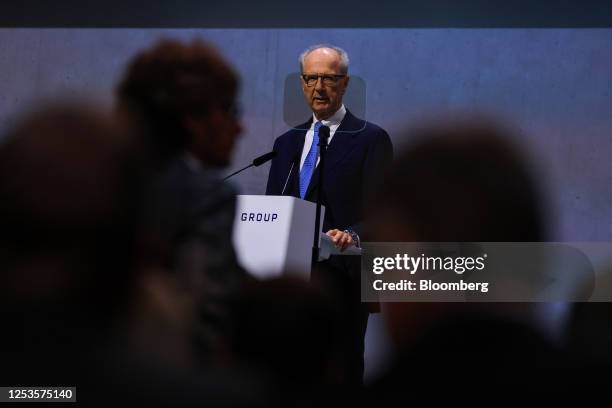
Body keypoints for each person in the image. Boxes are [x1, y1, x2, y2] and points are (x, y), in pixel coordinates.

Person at [266, 44, 393, 385]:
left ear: (345, 83)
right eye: (310, 78)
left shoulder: (370, 139)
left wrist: (352, 234)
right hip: (290, 284)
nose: (318, 86)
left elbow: (382, 211)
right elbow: (274, 207)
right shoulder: (286, 143)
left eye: (328, 78)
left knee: (339, 376)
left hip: (343, 280)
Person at [116, 39, 247, 361]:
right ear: (193, 119)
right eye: (231, 109)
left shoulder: (101, 179)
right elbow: (202, 320)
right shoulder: (207, 195)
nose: (240, 127)